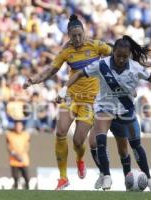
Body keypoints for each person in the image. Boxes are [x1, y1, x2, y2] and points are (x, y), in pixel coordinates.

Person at [57, 35, 151, 192]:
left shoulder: (135, 67)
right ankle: (106, 175)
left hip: (125, 110)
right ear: (113, 53)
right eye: (118, 56)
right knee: (99, 140)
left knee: (132, 146)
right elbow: (79, 73)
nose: (121, 59)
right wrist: (65, 88)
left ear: (129, 56)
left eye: (124, 57)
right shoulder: (101, 65)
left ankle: (149, 179)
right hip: (104, 108)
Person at [23, 14, 112, 190]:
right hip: (71, 96)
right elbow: (51, 70)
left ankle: (79, 159)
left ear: (84, 32)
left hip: (90, 101)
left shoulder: (96, 46)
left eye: (80, 35)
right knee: (60, 131)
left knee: (79, 141)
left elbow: (117, 53)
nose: (77, 39)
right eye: (73, 36)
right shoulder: (67, 51)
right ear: (69, 36)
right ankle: (63, 178)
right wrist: (34, 80)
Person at [6, 120, 31, 189]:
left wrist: (22, 155)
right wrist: (15, 155)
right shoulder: (10, 135)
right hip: (14, 160)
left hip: (23, 159)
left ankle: (28, 191)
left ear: (22, 126)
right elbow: (9, 147)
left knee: (27, 178)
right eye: (17, 126)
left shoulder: (26, 135)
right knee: (15, 178)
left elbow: (27, 146)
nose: (18, 127)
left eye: (19, 125)